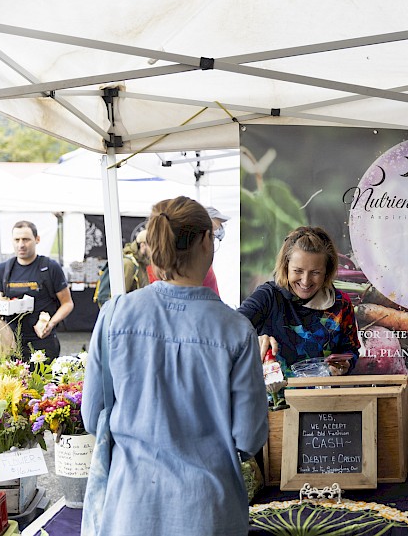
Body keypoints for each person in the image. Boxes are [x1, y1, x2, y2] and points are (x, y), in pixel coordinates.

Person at [81, 196, 268, 536]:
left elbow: (93, 417)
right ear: (205, 241)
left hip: (130, 511)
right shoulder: (236, 330)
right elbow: (248, 437)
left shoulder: (115, 316)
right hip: (209, 513)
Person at [238, 225, 360, 377]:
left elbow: (351, 350)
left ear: (327, 272)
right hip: (275, 399)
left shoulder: (341, 304)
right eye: (298, 271)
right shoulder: (268, 296)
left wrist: (345, 364)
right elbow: (229, 332)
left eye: (315, 273)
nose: (305, 281)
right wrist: (254, 340)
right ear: (285, 266)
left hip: (324, 397)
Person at [0, 220, 74, 361]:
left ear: (37, 239)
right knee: (12, 383)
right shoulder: (2, 270)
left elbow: (67, 303)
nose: (21, 244)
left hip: (43, 340)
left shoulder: (49, 267)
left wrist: (51, 323)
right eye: (17, 240)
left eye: (26, 239)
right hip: (10, 341)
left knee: (43, 382)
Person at [146, 205, 227, 295]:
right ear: (205, 239)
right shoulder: (202, 270)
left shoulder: (131, 303)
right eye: (213, 233)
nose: (217, 233)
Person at [94, 229, 150, 307]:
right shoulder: (129, 264)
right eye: (153, 246)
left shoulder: (141, 264)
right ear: (143, 245)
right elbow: (120, 298)